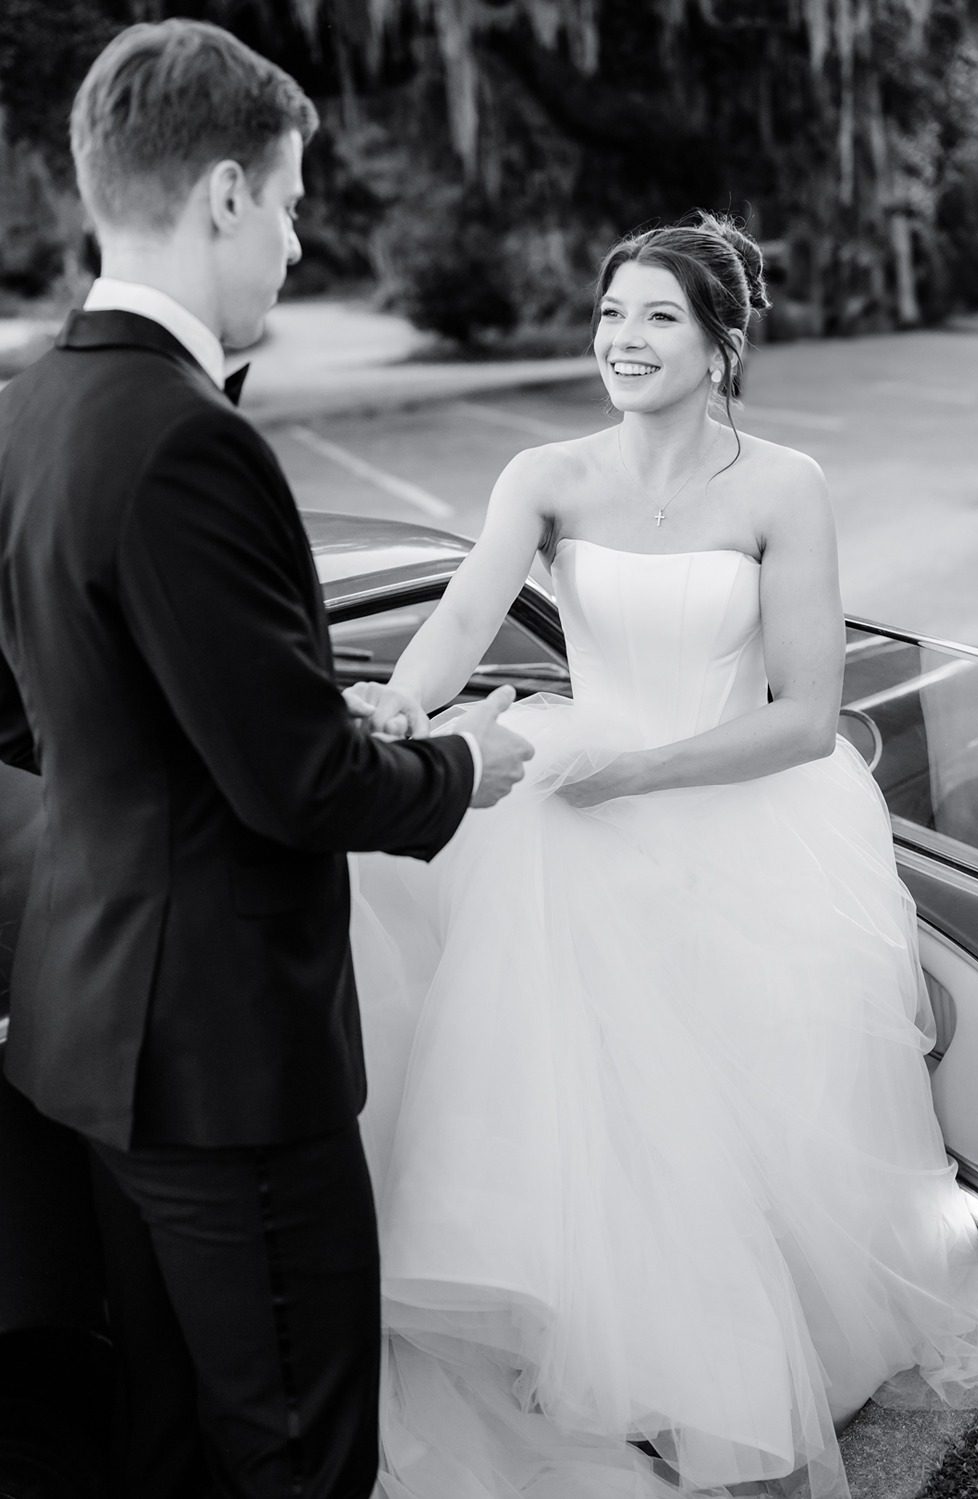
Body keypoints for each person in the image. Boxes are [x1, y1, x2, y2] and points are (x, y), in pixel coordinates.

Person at [344, 215, 978, 1499]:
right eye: (607, 317)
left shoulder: (779, 487)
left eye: (654, 318)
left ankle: (752, 1370)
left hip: (738, 822)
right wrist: (402, 710)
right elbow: (461, 614)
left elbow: (806, 715)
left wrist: (637, 772)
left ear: (719, 347)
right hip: (565, 831)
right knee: (587, 1122)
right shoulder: (545, 474)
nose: (621, 341)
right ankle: (608, 1367)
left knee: (743, 1125)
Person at [0, 19, 532, 1499]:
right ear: (225, 192)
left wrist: (285, 706)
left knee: (163, 1444)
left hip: (87, 1036)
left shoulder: (31, 410)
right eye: (295, 203)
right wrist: (460, 766)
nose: (300, 244)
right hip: (227, 1069)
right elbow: (297, 788)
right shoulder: (187, 436)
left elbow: (54, 706)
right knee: (299, 1455)